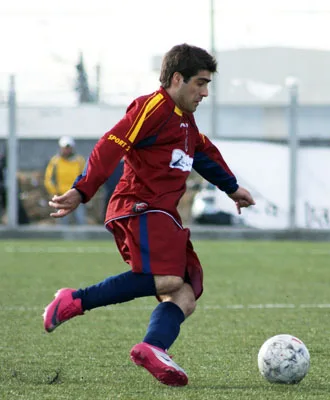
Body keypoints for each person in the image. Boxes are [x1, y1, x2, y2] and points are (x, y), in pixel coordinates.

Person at [42, 44, 255, 387]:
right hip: (139, 205)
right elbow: (111, 143)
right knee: (169, 277)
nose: (205, 92)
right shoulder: (153, 107)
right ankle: (75, 300)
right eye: (200, 83)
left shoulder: (185, 121)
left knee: (185, 293)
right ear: (176, 78)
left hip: (162, 214)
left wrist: (231, 187)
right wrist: (83, 190)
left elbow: (202, 153)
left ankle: (153, 347)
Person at [44, 136, 87, 225]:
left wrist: (82, 192)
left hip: (76, 195)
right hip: (62, 196)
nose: (67, 150)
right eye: (65, 148)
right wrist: (55, 192)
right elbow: (49, 179)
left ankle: (82, 238)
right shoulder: (55, 161)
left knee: (80, 220)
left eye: (69, 148)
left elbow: (85, 177)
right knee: (62, 221)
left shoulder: (79, 161)